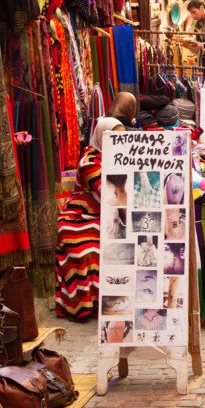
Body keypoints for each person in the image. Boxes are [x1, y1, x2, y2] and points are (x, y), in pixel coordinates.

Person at [55, 115, 127, 321]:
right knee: (85, 250)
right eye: (113, 138)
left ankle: (108, 299)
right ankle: (83, 305)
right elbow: (109, 194)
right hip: (80, 217)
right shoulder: (89, 161)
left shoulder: (122, 157)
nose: (118, 143)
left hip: (108, 216)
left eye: (121, 138)